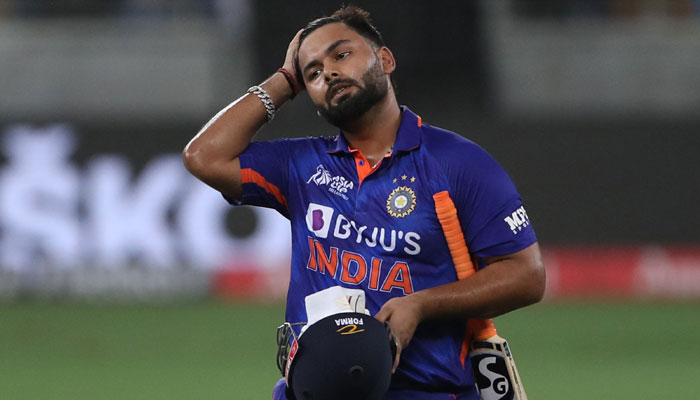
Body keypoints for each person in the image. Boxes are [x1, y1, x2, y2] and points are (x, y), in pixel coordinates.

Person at [183, 5, 545, 400]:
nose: (330, 73)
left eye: (342, 55)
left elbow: (526, 276)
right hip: (312, 391)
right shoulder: (301, 165)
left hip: (424, 391)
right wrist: (284, 80)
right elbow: (204, 157)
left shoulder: (457, 162)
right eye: (314, 73)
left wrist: (421, 305)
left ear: (385, 59)